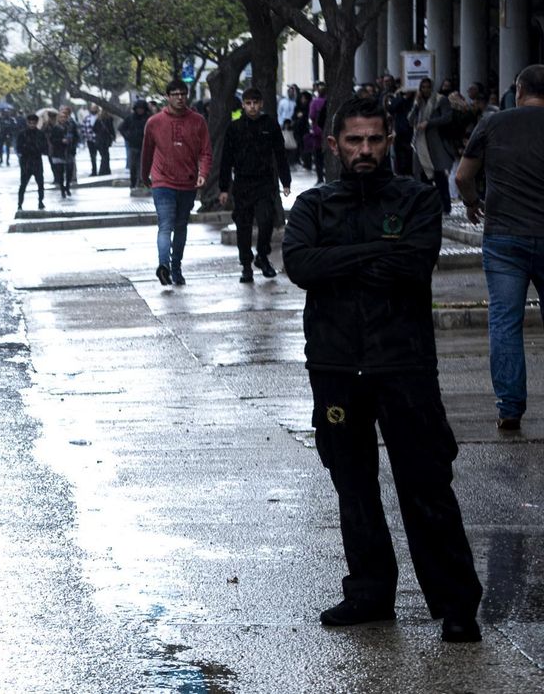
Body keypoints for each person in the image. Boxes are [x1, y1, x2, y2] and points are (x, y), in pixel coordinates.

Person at [282, 96, 483, 644]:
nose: (365, 149)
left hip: (405, 363)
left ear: (389, 140)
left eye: (374, 139)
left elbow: (413, 264)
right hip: (335, 365)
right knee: (353, 485)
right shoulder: (313, 205)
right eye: (354, 140)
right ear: (335, 145)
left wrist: (339, 261)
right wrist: (375, 254)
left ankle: (456, 604)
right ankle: (369, 593)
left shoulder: (416, 198)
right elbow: (300, 264)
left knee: (426, 485)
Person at [455, 63, 544, 431]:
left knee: (505, 322)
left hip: (504, 237)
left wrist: (472, 202)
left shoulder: (492, 123)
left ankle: (510, 407)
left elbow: (463, 176)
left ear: (519, 90)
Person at [140, 79, 211, 286]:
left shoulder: (198, 121)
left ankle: (176, 268)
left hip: (187, 183)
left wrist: (203, 173)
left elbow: (205, 152)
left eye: (183, 94)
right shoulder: (154, 122)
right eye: (175, 94)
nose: (180, 98)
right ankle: (164, 266)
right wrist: (144, 176)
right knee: (165, 226)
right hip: (162, 182)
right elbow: (147, 152)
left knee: (180, 227)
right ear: (167, 97)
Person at [217, 88, 291, 283]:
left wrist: (286, 181)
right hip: (242, 183)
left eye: (255, 103)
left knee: (266, 221)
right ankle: (246, 266)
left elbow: (280, 154)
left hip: (265, 182)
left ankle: (262, 256)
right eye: (248, 103)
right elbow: (226, 159)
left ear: (261, 104)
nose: (252, 107)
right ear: (243, 104)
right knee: (243, 226)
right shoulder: (235, 128)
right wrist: (224, 188)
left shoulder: (270, 125)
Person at [414, 79, 457, 215]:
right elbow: (410, 120)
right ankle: (429, 207)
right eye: (423, 87)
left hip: (436, 143)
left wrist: (429, 123)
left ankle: (445, 206)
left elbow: (447, 117)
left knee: (440, 177)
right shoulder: (419, 102)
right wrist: (416, 105)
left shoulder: (440, 100)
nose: (425, 90)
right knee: (424, 177)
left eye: (428, 87)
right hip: (421, 144)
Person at [15, 113, 46, 212]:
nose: (32, 125)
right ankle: (20, 203)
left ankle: (40, 201)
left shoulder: (40, 134)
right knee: (23, 185)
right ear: (27, 123)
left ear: (36, 123)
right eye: (30, 123)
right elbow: (19, 148)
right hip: (26, 162)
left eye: (34, 123)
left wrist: (36, 148)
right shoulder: (22, 134)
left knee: (40, 184)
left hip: (36, 161)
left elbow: (44, 147)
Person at [120, 100, 150, 190]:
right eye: (138, 109)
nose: (140, 111)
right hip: (133, 145)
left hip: (145, 145)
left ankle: (141, 181)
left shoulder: (148, 118)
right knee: (133, 166)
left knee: (143, 165)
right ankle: (133, 182)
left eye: (142, 109)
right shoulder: (131, 118)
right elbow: (122, 128)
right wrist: (128, 137)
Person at [46, 106, 75, 199]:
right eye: (61, 117)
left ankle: (67, 187)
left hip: (69, 152)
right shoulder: (55, 128)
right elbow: (52, 139)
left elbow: (76, 137)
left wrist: (72, 142)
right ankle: (62, 189)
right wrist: (61, 141)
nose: (63, 119)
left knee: (69, 172)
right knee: (60, 172)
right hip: (58, 153)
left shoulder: (70, 126)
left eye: (64, 117)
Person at [90, 104, 114, 177]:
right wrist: (113, 136)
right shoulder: (109, 118)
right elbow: (111, 129)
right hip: (105, 140)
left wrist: (99, 133)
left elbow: (94, 129)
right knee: (106, 155)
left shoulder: (99, 119)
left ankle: (104, 170)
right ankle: (105, 170)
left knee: (103, 155)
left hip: (99, 140)